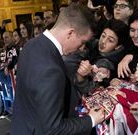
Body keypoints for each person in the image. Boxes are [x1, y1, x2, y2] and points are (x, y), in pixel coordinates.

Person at [10, 3, 104, 135]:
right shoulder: (50, 70)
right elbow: (53, 129)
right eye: (82, 42)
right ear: (70, 33)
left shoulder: (31, 44)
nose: (80, 47)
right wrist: (91, 120)